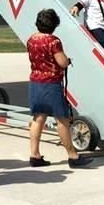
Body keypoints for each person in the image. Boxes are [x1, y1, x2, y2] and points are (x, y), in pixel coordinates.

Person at [26, 9, 92, 168]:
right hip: (51, 83)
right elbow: (61, 62)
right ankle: (72, 155)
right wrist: (68, 61)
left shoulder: (31, 40)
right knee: (61, 120)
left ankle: (34, 154)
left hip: (35, 82)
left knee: (38, 118)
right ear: (54, 25)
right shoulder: (53, 41)